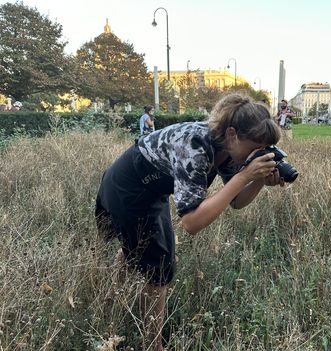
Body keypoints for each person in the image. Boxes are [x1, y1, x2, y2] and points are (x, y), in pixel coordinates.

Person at [95, 93, 284, 350]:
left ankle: (108, 295)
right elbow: (192, 223)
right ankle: (153, 346)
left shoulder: (228, 149)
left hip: (151, 189)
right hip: (127, 187)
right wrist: (244, 177)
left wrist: (259, 179)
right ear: (232, 134)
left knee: (148, 248)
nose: (257, 155)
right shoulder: (194, 146)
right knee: (159, 268)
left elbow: (236, 201)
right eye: (255, 148)